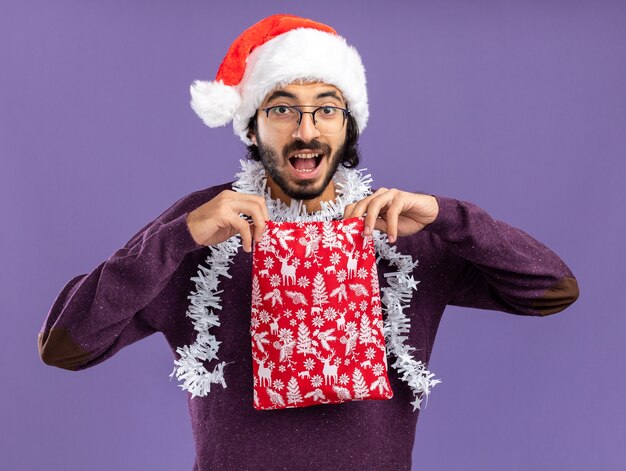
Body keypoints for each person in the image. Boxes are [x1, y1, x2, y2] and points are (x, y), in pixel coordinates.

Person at [38, 14, 579, 471]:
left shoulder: (399, 228)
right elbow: (65, 346)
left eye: (326, 108)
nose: (306, 130)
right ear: (252, 127)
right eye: (281, 109)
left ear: (349, 127)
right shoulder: (201, 225)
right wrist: (179, 237)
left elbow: (552, 290)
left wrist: (451, 217)